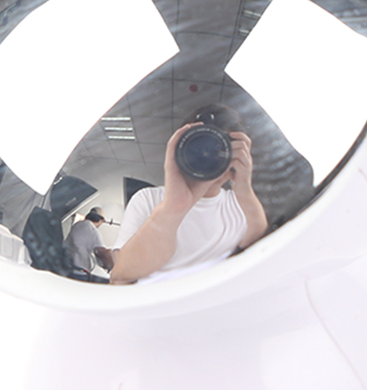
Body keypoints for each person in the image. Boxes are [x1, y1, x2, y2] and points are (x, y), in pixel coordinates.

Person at [109, 106, 268, 285]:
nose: (208, 155)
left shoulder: (240, 202)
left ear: (237, 154)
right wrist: (174, 207)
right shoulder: (148, 199)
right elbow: (120, 277)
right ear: (180, 150)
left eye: (219, 148)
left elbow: (261, 256)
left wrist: (244, 187)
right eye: (201, 145)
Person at [63, 207, 114, 275]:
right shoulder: (92, 230)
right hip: (79, 272)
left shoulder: (77, 225)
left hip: (66, 268)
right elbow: (102, 253)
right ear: (101, 220)